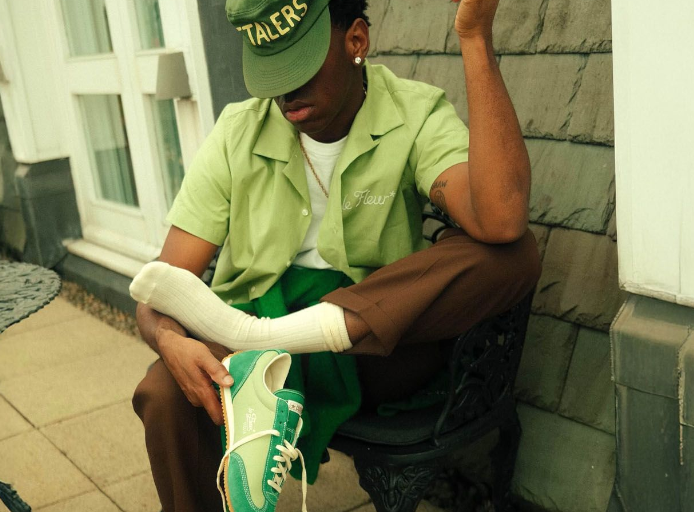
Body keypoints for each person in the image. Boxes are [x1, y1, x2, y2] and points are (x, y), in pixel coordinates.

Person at [131, 0, 541, 510]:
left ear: (356, 41)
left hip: (371, 350)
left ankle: (267, 342)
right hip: (249, 349)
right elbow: (157, 291)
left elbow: (501, 217)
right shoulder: (238, 131)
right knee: (163, 392)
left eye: (299, 67)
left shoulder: (413, 112)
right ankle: (260, 352)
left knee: (515, 254)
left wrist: (474, 35)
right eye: (272, 72)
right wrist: (168, 340)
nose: (285, 91)